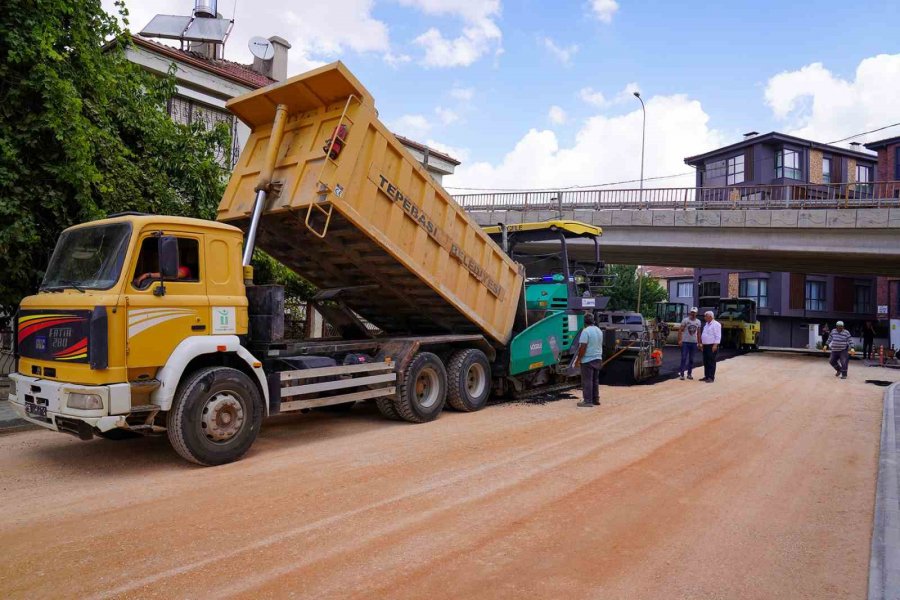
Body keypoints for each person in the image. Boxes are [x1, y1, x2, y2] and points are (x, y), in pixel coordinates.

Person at [575, 312, 604, 408]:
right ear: (593, 321)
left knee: (587, 381)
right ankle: (596, 399)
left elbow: (583, 347)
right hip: (598, 358)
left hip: (588, 360)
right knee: (595, 380)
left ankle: (587, 401)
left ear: (584, 322)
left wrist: (578, 360)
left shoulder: (586, 331)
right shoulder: (599, 331)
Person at [678, 307, 702, 380]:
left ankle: (689, 374)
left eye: (694, 312)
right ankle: (682, 374)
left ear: (696, 313)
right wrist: (680, 340)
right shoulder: (685, 320)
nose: (693, 313)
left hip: (694, 343)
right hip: (685, 342)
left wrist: (699, 342)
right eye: (692, 312)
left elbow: (698, 333)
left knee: (691, 359)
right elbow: (680, 330)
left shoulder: (698, 322)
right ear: (690, 312)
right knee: (684, 358)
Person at [699, 310, 721, 383]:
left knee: (711, 361)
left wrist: (715, 345)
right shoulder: (706, 324)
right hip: (705, 346)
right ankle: (707, 376)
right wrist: (702, 343)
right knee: (706, 361)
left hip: (712, 346)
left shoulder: (716, 324)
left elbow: (718, 336)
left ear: (710, 317)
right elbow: (704, 335)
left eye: (706, 316)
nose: (704, 317)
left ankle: (711, 377)